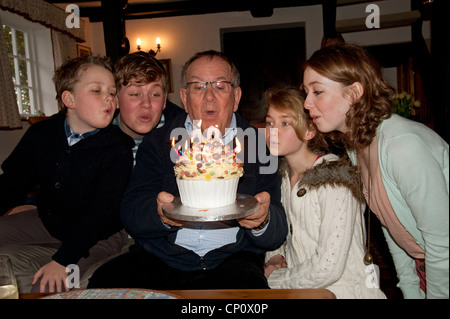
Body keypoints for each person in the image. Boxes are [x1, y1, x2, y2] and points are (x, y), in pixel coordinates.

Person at [88, 50, 288, 289]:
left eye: (220, 86)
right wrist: (161, 215)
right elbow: (132, 211)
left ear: (236, 97)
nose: (209, 97)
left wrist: (263, 220)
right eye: (198, 87)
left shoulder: (257, 146)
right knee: (104, 284)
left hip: (232, 262)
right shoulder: (159, 143)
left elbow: (276, 229)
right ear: (184, 97)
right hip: (162, 259)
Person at [302, 43, 449, 299]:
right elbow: (395, 229)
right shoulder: (358, 145)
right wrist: (411, 290)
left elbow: (443, 243)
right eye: (306, 92)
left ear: (354, 93)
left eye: (317, 91)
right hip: (429, 266)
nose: (306, 103)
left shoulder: (401, 147)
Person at [0, 55, 134, 293]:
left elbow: (99, 214)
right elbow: (11, 185)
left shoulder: (118, 148)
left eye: (112, 92)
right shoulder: (41, 134)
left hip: (101, 234)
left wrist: (62, 260)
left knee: (48, 284)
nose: (110, 98)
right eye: (97, 90)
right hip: (50, 222)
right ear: (69, 99)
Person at [263, 86, 386, 299]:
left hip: (345, 292)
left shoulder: (334, 181)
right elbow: (286, 231)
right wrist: (274, 257)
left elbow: (328, 267)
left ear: (310, 131)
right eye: (269, 122)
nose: (273, 131)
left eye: (285, 123)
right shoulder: (282, 177)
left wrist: (275, 279)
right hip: (303, 292)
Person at [113, 51, 184, 164]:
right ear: (116, 99)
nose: (146, 104)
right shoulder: (97, 142)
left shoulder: (183, 136)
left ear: (164, 100)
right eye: (135, 94)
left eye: (155, 94)